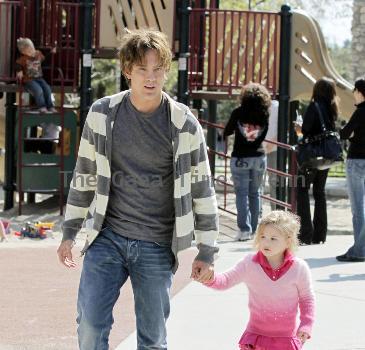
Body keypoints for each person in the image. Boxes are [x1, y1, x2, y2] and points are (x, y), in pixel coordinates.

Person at [57, 29, 218, 350]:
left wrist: (207, 250)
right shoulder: (102, 114)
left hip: (156, 245)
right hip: (108, 238)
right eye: (143, 69)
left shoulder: (184, 124)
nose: (151, 77)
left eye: (158, 69)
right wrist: (69, 232)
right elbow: (85, 174)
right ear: (127, 70)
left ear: (166, 72)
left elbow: (202, 185)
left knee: (153, 339)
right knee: (89, 325)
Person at [200, 210, 315, 350]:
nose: (266, 242)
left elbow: (307, 299)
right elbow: (225, 280)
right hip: (256, 339)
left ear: (288, 241)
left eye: (273, 238)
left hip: (286, 339)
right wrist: (208, 277)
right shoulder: (250, 263)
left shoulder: (299, 268)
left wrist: (306, 324)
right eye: (263, 236)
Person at [223, 83, 270, 241]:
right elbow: (262, 137)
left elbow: (227, 131)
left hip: (240, 158)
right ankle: (256, 231)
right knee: (255, 193)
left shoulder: (238, 112)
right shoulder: (264, 115)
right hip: (258, 157)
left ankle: (244, 230)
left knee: (241, 194)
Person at [296, 77, 339, 245]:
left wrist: (299, 129)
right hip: (327, 155)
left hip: (313, 155)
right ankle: (320, 235)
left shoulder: (314, 106)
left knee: (302, 189)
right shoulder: (332, 108)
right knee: (319, 192)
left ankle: (305, 234)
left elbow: (306, 130)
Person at [336, 77, 365, 262]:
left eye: (355, 91)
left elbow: (344, 133)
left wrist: (351, 134)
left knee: (358, 208)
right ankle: (360, 248)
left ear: (360, 92)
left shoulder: (360, 111)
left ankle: (359, 250)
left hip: (357, 161)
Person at [15, 37, 57, 113]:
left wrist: (51, 53)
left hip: (39, 78)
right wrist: (19, 71)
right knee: (38, 90)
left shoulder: (38, 54)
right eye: (28, 50)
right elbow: (17, 64)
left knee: (47, 88)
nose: (31, 51)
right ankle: (42, 106)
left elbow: (45, 60)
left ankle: (50, 106)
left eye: (32, 48)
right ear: (23, 52)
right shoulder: (23, 59)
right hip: (29, 80)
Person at [263, 99, 279, 209]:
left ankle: (275, 210)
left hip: (273, 148)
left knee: (274, 181)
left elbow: (283, 126)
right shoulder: (255, 105)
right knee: (257, 183)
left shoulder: (276, 106)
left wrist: (273, 141)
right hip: (258, 149)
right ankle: (257, 212)